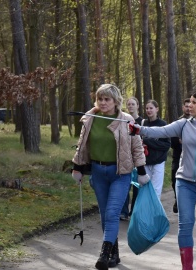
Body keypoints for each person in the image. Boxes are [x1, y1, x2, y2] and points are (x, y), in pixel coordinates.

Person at [128, 91, 196, 270]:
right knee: (185, 225)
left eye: (194, 102)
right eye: (189, 102)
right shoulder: (184, 124)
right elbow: (161, 131)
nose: (189, 105)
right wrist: (139, 129)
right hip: (185, 182)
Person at [71, 84, 149, 270]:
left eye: (107, 99)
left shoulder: (126, 120)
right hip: (98, 172)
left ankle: (104, 255)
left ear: (116, 101)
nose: (103, 103)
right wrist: (77, 167)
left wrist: (142, 172)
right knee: (105, 215)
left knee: (113, 213)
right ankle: (115, 254)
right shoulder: (90, 118)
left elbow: (137, 147)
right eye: (100, 99)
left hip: (120, 173)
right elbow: (81, 145)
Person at [142, 99, 171, 198]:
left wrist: (148, 141)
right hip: (145, 161)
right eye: (147, 108)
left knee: (155, 190)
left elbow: (166, 145)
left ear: (157, 109)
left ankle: (155, 212)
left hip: (158, 162)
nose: (149, 110)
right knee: (145, 189)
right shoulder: (143, 123)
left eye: (151, 108)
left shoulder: (163, 125)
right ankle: (145, 212)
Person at [121, 97, 143, 220]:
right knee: (124, 186)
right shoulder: (122, 119)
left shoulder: (142, 121)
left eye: (133, 104)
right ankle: (123, 212)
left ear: (137, 106)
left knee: (137, 187)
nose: (130, 106)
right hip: (125, 157)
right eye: (128, 104)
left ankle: (134, 211)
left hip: (138, 157)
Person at [170, 98, 191, 213]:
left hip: (191, 157)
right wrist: (179, 141)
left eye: (190, 106)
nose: (188, 108)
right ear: (183, 107)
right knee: (174, 180)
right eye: (186, 106)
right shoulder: (178, 122)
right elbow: (172, 141)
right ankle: (177, 199)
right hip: (178, 156)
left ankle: (184, 202)